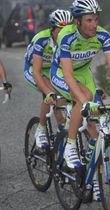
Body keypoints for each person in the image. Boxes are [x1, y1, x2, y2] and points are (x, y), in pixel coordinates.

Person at [50, 0, 110, 173]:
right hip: (62, 73)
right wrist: (83, 99)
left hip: (84, 73)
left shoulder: (103, 36)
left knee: (95, 114)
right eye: (89, 20)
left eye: (96, 19)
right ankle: (70, 145)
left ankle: (90, 172)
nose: (94, 25)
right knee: (84, 98)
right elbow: (69, 75)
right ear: (77, 21)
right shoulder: (67, 35)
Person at [24, 9, 73, 149]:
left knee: (62, 98)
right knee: (50, 92)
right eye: (60, 29)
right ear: (51, 29)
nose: (64, 33)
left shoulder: (68, 40)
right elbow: (37, 72)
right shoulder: (41, 39)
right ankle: (41, 128)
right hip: (34, 69)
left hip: (53, 69)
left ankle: (60, 133)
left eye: (67, 29)